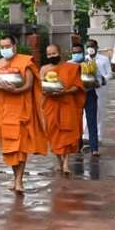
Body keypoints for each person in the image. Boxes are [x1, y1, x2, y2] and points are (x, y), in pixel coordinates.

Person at [0, 35, 47, 194]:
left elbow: (28, 85)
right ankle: (15, 177)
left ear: (15, 46)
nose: (4, 49)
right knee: (9, 148)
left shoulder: (25, 62)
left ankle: (19, 180)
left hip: (21, 110)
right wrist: (1, 87)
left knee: (20, 147)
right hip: (4, 111)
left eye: (7, 46)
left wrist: (15, 90)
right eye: (2, 46)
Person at [40, 44, 86, 175]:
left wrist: (64, 91)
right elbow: (40, 87)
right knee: (53, 133)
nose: (51, 56)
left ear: (60, 53)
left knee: (66, 133)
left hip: (67, 104)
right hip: (51, 105)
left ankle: (66, 163)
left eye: (54, 53)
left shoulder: (71, 68)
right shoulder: (44, 69)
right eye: (49, 54)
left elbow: (78, 86)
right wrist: (48, 90)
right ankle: (59, 159)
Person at [82, 38, 111, 155]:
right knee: (86, 114)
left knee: (99, 111)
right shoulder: (84, 59)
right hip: (88, 88)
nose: (90, 48)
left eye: (92, 46)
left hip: (100, 88)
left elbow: (109, 73)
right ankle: (86, 136)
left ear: (96, 47)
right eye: (88, 46)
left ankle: (98, 136)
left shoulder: (103, 59)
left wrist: (103, 80)